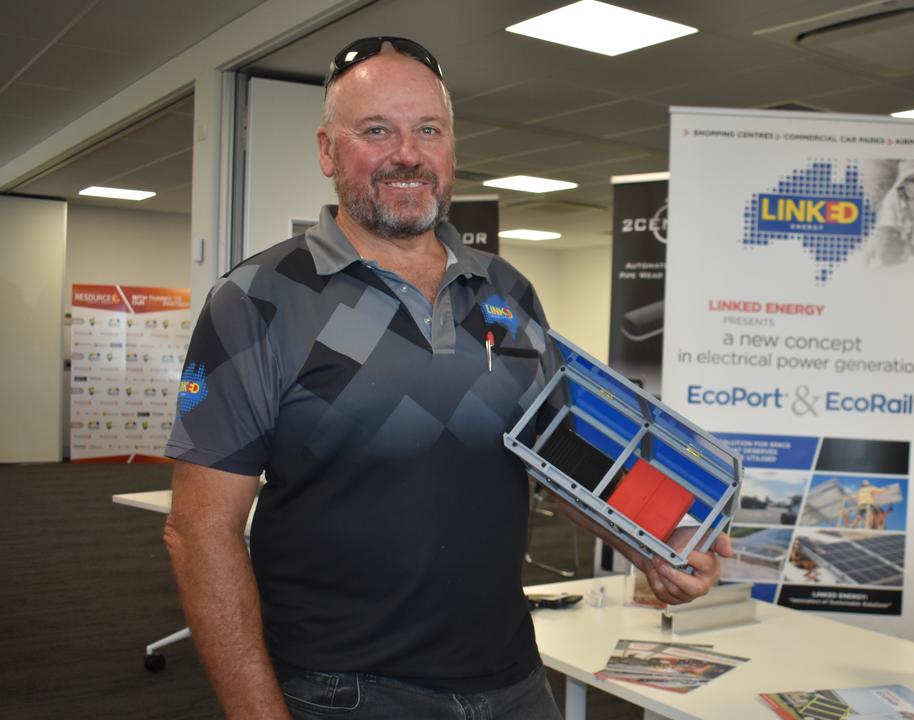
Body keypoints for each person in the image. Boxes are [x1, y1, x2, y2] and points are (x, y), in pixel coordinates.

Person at [163, 36, 731, 720]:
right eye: (377, 130)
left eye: (427, 130)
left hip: (513, 676)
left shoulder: (507, 291)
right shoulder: (260, 297)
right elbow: (200, 534)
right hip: (344, 691)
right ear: (326, 151)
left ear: (451, 149)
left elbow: (562, 457)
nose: (407, 153)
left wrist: (653, 544)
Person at [865, 160, 914, 266]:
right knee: (885, 242)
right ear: (904, 183)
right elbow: (886, 228)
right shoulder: (892, 198)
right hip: (898, 238)